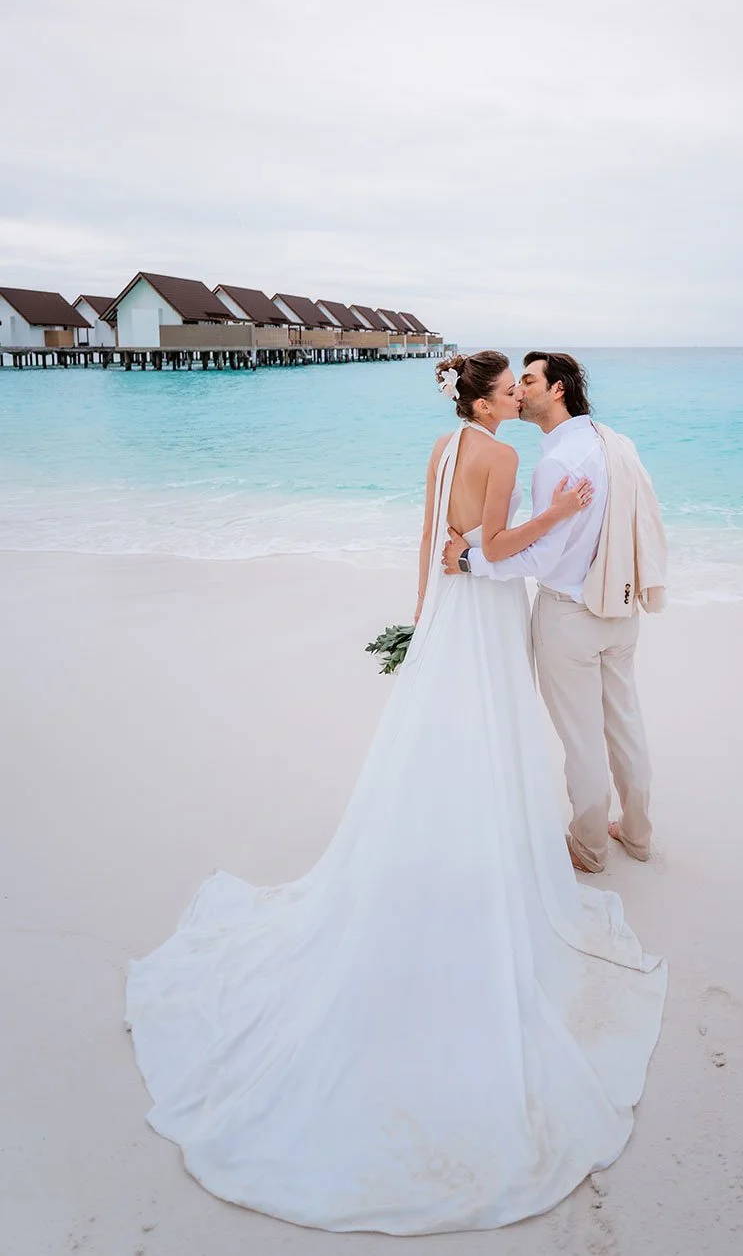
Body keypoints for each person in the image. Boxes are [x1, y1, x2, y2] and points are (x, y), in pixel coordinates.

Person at [125, 351, 666, 1235]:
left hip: (448, 613)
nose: (515, 398)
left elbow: (433, 544)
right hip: (486, 611)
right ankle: (491, 844)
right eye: (508, 389)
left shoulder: (442, 448)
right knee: (489, 734)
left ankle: (448, 837)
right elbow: (493, 549)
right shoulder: (500, 458)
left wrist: (423, 620)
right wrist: (560, 513)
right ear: (490, 400)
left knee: (438, 734)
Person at [443, 352, 666, 876]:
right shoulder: (616, 445)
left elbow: (540, 557)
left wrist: (472, 560)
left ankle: (589, 847)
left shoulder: (556, 464)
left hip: (570, 615)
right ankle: (636, 832)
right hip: (620, 604)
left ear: (558, 389)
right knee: (625, 724)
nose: (519, 391)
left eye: (528, 380)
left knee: (581, 737)